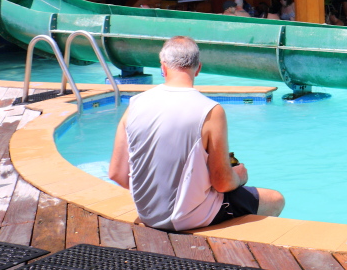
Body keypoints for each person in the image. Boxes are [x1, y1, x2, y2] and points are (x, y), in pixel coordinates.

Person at [108, 37, 284, 231]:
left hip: (147, 214)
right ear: (198, 68)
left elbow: (116, 173)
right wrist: (240, 176)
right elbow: (223, 183)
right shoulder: (210, 111)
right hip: (185, 218)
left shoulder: (135, 104)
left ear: (163, 67)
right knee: (275, 199)